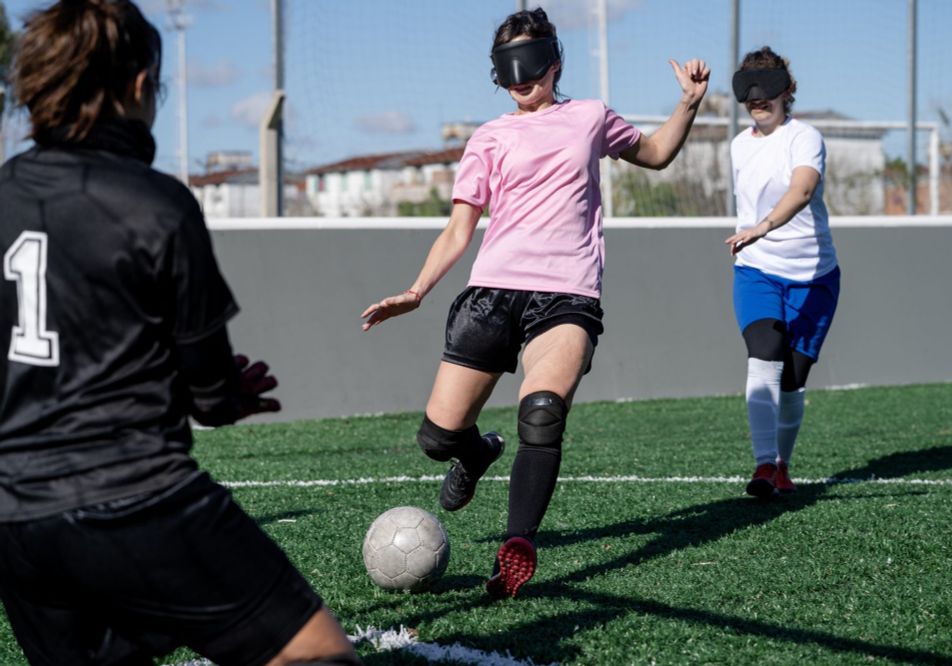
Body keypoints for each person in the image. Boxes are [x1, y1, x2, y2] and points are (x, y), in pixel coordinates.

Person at [0, 2, 360, 664]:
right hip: (136, 496)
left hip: (16, 524)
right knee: (319, 656)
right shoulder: (155, 205)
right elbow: (214, 398)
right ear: (140, 85)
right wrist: (225, 392)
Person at [362, 7, 709, 598]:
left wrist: (689, 105)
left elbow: (653, 154)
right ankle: (475, 455)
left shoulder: (591, 117)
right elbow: (458, 229)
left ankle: (516, 546)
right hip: (493, 292)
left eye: (531, 64)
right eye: (508, 69)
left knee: (543, 412)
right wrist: (417, 290)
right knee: (437, 439)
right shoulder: (489, 137)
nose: (521, 79)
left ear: (555, 61)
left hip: (567, 293)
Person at [725, 46, 840, 498]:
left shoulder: (805, 137)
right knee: (764, 353)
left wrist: (766, 225)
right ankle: (762, 465)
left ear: (786, 90)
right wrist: (754, 237)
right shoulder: (736, 145)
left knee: (792, 380)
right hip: (756, 268)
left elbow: (802, 187)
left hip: (814, 275)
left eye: (767, 88)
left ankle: (783, 465)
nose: (758, 98)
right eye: (748, 89)